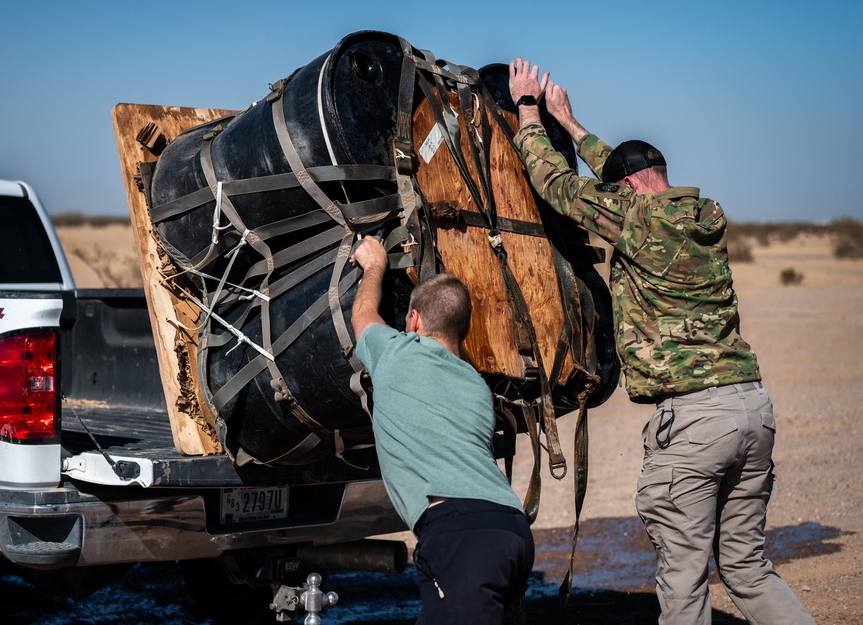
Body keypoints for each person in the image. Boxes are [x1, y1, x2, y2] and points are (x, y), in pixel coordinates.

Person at [506, 58, 816, 624]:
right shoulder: (699, 215)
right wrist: (571, 125)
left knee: (683, 583)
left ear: (624, 190)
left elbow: (555, 184)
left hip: (695, 426)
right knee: (747, 568)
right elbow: (621, 178)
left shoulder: (635, 219)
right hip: (751, 409)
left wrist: (529, 109)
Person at [349, 235, 533, 625]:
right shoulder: (477, 387)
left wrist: (374, 265)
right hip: (510, 530)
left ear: (414, 320)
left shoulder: (398, 353)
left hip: (461, 536)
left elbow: (363, 315)